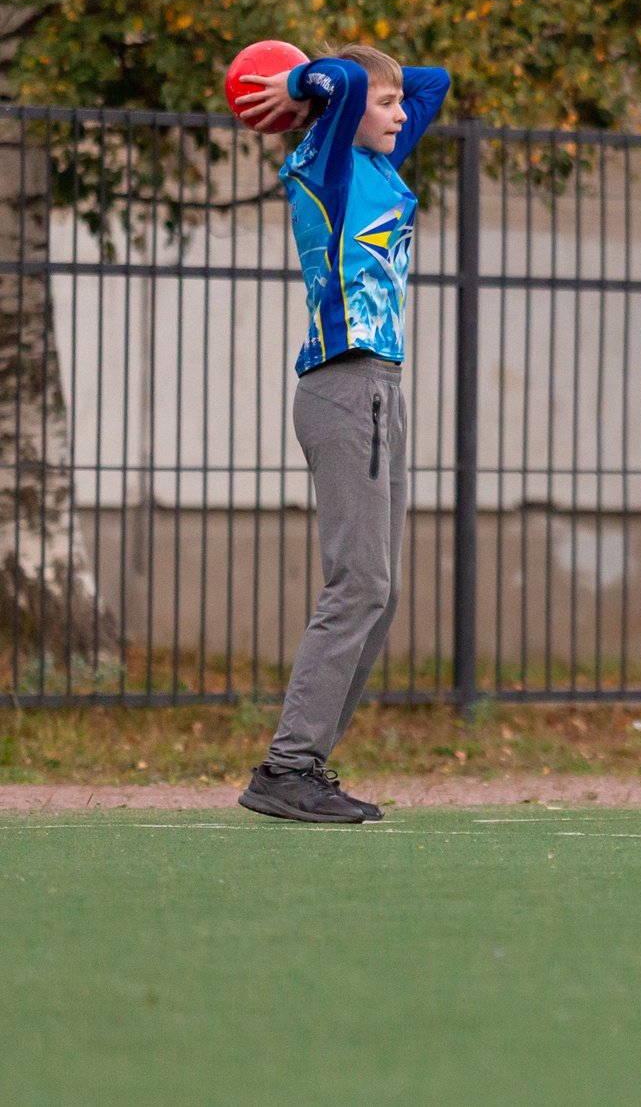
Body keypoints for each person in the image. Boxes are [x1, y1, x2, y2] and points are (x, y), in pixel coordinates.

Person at [233, 46, 451, 823]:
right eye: (384, 104)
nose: (402, 112)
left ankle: (306, 764)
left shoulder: (379, 163)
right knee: (358, 582)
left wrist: (382, 90)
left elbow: (434, 83)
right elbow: (350, 82)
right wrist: (298, 83)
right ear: (344, 109)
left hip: (383, 389)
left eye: (398, 106)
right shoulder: (322, 160)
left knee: (379, 595)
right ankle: (286, 766)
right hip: (343, 383)